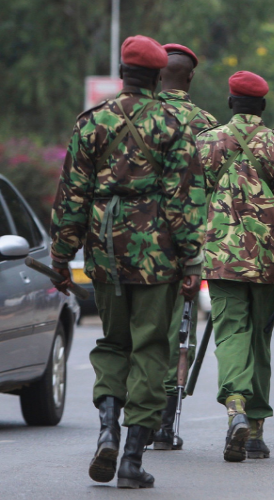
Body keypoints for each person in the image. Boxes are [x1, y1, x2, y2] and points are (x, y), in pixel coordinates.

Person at [49, 35, 205, 488]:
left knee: (113, 343)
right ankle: (133, 459)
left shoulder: (91, 123)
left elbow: (71, 196)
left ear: (122, 73)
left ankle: (107, 432)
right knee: (151, 348)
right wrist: (192, 262)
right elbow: (184, 200)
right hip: (158, 255)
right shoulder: (173, 124)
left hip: (105, 250)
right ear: (158, 76)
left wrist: (62, 257)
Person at [197, 70, 274, 459]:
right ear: (263, 106)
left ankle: (235, 407)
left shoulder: (205, 143)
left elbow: (190, 201)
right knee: (259, 337)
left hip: (220, 259)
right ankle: (255, 431)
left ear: (230, 103)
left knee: (230, 334)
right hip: (268, 260)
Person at [152, 42, 220, 451]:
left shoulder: (135, 115)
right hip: (186, 245)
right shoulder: (207, 124)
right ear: (189, 77)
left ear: (158, 74)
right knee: (180, 334)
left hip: (133, 242)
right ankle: (163, 426)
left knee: (134, 333)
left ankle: (127, 422)